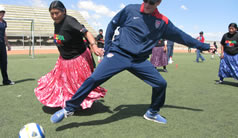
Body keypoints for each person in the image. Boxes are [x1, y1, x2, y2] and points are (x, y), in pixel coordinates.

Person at [51, 0, 213, 124]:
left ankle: (152, 113)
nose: (147, 4)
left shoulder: (162, 22)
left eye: (152, 2)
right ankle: (69, 108)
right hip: (118, 54)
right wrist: (108, 48)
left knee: (160, 84)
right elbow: (112, 25)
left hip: (139, 60)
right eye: (145, 0)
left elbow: (182, 37)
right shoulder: (130, 10)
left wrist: (205, 46)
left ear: (159, 2)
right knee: (94, 79)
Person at [34, 1, 106, 109]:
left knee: (77, 85)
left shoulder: (70, 21)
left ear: (64, 12)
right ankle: (68, 101)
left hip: (77, 59)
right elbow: (63, 38)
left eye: (57, 13)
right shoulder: (56, 23)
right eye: (52, 14)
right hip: (64, 60)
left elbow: (86, 33)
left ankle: (79, 102)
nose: (54, 16)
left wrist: (94, 46)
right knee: (59, 83)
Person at [0, 5, 14, 85]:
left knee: (4, 63)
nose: (1, 13)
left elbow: (4, 34)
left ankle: (5, 80)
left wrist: (8, 44)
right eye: (0, 12)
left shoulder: (4, 23)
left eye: (3, 12)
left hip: (2, 45)